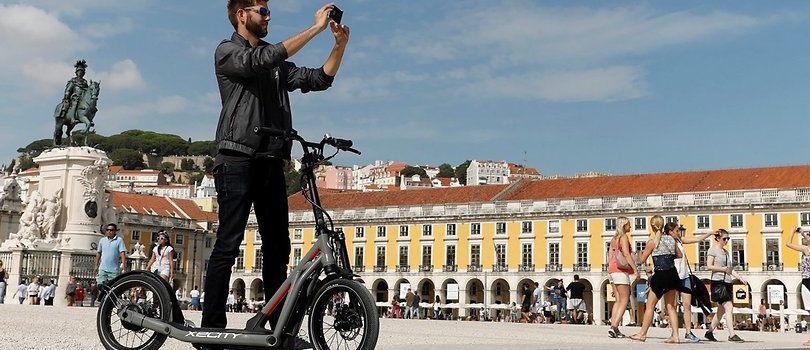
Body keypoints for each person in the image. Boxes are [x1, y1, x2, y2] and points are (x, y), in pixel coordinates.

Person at [202, 2, 350, 344]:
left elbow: (319, 79)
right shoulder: (227, 51)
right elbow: (259, 61)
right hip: (236, 157)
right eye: (262, 11)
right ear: (242, 14)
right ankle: (211, 328)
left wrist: (338, 46)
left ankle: (276, 330)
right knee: (229, 242)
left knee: (278, 247)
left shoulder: (277, 64)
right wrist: (313, 30)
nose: (268, 17)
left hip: (271, 161)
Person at [630, 217, 683, 343]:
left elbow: (641, 260)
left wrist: (636, 254)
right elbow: (680, 255)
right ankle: (675, 336)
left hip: (660, 275)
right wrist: (668, 255)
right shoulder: (671, 239)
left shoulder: (652, 242)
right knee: (671, 307)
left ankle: (642, 334)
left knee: (650, 305)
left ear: (652, 227)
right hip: (672, 274)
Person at [704, 229, 745, 342]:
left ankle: (709, 332)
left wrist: (740, 277)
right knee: (729, 307)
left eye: (728, 238)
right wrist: (723, 269)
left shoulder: (726, 252)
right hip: (718, 283)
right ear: (717, 238)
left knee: (720, 311)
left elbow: (729, 269)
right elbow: (709, 266)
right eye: (724, 238)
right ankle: (732, 335)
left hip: (727, 283)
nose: (726, 240)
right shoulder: (712, 250)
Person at [674, 227, 713, 342]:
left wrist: (709, 233)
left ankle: (688, 332)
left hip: (685, 276)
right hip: (673, 276)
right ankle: (674, 332)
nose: (679, 233)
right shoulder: (668, 242)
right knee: (673, 305)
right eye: (677, 231)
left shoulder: (680, 240)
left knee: (687, 305)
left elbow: (697, 239)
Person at [608, 217, 637, 338]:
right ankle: (614, 326)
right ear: (624, 225)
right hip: (620, 271)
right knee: (625, 300)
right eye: (629, 225)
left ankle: (613, 326)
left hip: (612, 270)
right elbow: (626, 253)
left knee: (618, 300)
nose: (630, 227)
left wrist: (610, 270)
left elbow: (610, 255)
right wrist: (635, 269)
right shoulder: (623, 237)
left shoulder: (613, 238)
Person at [786, 227, 810, 345]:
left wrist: (792, 231)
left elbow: (788, 244)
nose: (806, 237)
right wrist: (802, 233)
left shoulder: (806, 249)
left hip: (808, 281)